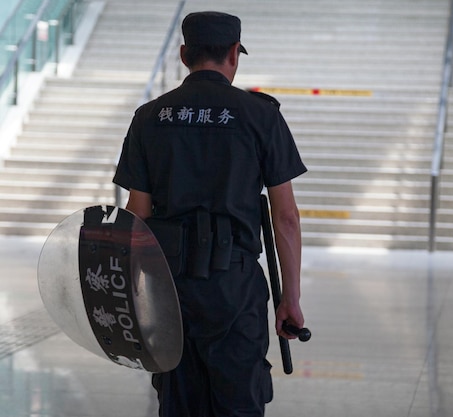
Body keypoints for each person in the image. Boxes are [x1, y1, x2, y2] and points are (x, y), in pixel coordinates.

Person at [113, 11, 307, 416]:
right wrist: (289, 298)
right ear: (234, 55)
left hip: (168, 290)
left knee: (178, 401)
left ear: (184, 54)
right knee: (238, 400)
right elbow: (285, 217)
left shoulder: (149, 118)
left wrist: (132, 300)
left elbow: (137, 215)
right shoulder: (261, 115)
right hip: (234, 288)